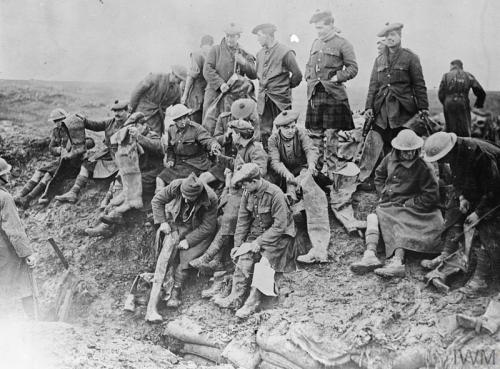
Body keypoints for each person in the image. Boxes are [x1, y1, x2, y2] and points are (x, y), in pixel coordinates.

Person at [350, 130, 443, 278]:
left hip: (415, 206)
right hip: (392, 202)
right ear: (398, 150)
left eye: (413, 151)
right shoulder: (390, 158)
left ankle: (397, 261)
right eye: (406, 152)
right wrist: (383, 193)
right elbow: (379, 175)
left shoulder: (424, 166)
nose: (410, 154)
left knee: (400, 224)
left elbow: (431, 195)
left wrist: (410, 203)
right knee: (374, 217)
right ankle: (370, 255)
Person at [213, 163, 296, 318]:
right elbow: (242, 221)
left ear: (254, 181)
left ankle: (252, 302)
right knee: (243, 257)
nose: (243, 187)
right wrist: (238, 245)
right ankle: (235, 298)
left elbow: (280, 226)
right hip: (257, 233)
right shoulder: (247, 193)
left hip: (279, 237)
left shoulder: (275, 194)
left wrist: (258, 242)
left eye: (245, 183)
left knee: (264, 263)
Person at [423, 131, 500, 294]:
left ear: (449, 151)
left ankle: (482, 278)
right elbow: (457, 178)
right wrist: (462, 197)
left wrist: (478, 213)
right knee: (454, 208)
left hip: (495, 194)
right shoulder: (456, 152)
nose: (441, 162)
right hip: (482, 190)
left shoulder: (481, 156)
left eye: (441, 159)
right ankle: (447, 254)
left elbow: (494, 190)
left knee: (486, 225)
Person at [191, 120, 268, 277]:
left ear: (239, 134)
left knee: (229, 217)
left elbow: (260, 171)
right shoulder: (242, 148)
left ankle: (208, 257)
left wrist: (240, 173)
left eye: (232, 132)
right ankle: (216, 260)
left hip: (254, 192)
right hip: (241, 190)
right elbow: (236, 163)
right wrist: (222, 159)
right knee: (221, 217)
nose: (230, 135)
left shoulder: (256, 150)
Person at [359, 23, 429, 186]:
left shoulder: (410, 57)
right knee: (375, 142)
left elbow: (419, 84)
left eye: (393, 35)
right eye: (387, 36)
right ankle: (373, 177)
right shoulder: (380, 59)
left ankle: (401, 178)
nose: (390, 38)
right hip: (381, 108)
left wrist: (423, 107)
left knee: (400, 144)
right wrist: (369, 107)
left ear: (400, 36)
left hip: (402, 108)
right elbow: (373, 86)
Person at [85, 113, 163, 237]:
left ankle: (113, 218)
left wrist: (139, 137)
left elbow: (159, 149)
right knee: (120, 181)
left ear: (143, 125)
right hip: (139, 173)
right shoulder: (131, 137)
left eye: (134, 126)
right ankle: (108, 223)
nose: (130, 130)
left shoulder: (152, 135)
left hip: (152, 173)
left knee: (131, 184)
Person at [151, 173, 218, 308]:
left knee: (187, 257)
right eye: (184, 196)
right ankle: (157, 284)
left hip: (197, 230)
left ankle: (176, 289)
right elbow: (157, 200)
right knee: (166, 251)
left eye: (190, 198)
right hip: (176, 224)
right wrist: (162, 222)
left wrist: (189, 241)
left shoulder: (210, 198)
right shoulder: (176, 185)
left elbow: (208, 226)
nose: (186, 200)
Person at [305, 10, 358, 178]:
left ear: (331, 25)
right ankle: (316, 171)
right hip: (315, 94)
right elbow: (309, 65)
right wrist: (309, 77)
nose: (319, 31)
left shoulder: (343, 44)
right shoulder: (315, 43)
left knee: (331, 134)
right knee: (315, 135)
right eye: (316, 28)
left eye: (321, 27)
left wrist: (338, 77)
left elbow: (353, 68)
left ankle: (333, 171)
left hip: (333, 94)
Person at [55, 100, 129, 204]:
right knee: (87, 164)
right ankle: (73, 192)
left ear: (127, 111)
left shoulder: (132, 123)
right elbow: (94, 125)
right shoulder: (110, 122)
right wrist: (83, 120)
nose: (117, 114)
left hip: (125, 155)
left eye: (120, 111)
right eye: (115, 111)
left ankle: (109, 199)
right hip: (109, 154)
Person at [252, 23, 302, 150]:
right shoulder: (259, 54)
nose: (257, 39)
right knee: (264, 131)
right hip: (264, 99)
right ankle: (269, 159)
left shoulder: (285, 52)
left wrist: (284, 87)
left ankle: (288, 159)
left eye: (259, 36)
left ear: (268, 35)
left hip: (280, 99)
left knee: (286, 129)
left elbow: (297, 75)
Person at [202, 23, 257, 135]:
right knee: (210, 123)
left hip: (234, 96)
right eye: (228, 36)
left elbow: (254, 74)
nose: (229, 39)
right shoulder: (215, 50)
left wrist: (243, 63)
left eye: (233, 36)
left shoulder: (243, 53)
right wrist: (220, 84)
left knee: (231, 124)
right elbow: (207, 70)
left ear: (238, 37)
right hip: (214, 94)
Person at [0, 158, 37, 318]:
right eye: (5, 173)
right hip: (5, 251)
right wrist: (27, 253)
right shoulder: (4, 197)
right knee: (23, 278)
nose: (8, 176)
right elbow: (14, 230)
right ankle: (34, 322)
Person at [156, 104, 221, 190]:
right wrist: (170, 160)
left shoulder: (196, 129)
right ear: (175, 120)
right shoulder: (171, 130)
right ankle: (159, 200)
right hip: (179, 164)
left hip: (196, 164)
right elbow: (170, 148)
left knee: (181, 183)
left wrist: (213, 145)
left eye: (185, 117)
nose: (183, 121)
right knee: (159, 179)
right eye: (179, 119)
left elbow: (207, 140)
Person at [267, 110, 319, 200]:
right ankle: (291, 198)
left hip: (301, 168)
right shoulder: (273, 139)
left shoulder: (301, 132)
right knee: (286, 184)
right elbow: (275, 161)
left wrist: (311, 164)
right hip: (284, 172)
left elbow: (310, 149)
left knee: (309, 182)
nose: (291, 131)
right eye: (287, 128)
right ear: (279, 128)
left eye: (293, 127)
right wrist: (286, 173)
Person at [129, 66, 186, 135]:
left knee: (155, 139)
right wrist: (131, 109)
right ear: (174, 75)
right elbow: (137, 92)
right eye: (179, 80)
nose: (179, 83)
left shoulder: (177, 90)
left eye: (181, 81)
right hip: (142, 113)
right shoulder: (155, 77)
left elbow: (178, 107)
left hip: (158, 119)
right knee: (138, 134)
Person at [438, 59, 486, 137]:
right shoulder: (468, 75)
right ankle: (465, 145)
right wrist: (478, 105)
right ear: (461, 66)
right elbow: (480, 91)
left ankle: (451, 145)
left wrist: (446, 103)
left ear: (453, 65)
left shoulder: (446, 75)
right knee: (465, 127)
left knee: (450, 128)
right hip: (463, 102)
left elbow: (441, 93)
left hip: (449, 103)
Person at [181, 35, 214, 124]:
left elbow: (192, 75)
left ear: (201, 44)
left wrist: (185, 94)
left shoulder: (197, 54)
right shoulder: (215, 53)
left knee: (195, 123)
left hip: (197, 94)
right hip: (212, 94)